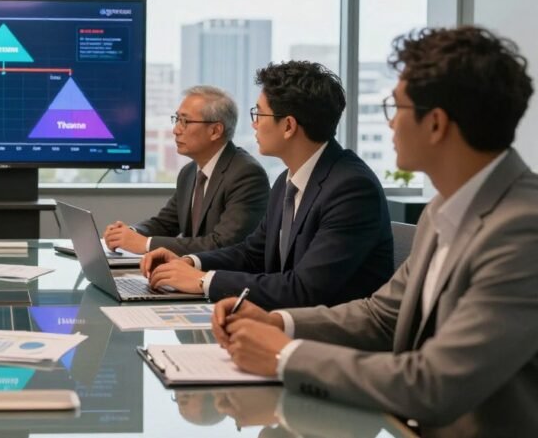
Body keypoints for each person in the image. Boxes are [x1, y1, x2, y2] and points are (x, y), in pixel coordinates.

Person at [214, 27, 538, 436]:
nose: (390, 125)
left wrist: (286, 356)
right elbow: (382, 316)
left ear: (435, 124)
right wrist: (279, 322)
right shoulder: (445, 208)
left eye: (395, 107)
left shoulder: (524, 229)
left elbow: (432, 383)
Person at [141, 61, 393, 310]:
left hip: (329, 339)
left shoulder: (351, 189)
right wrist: (190, 262)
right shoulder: (287, 180)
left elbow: (304, 289)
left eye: (259, 114)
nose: (254, 124)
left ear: (288, 126)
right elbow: (253, 253)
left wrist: (203, 281)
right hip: (285, 323)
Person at [104, 86, 269, 255]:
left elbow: (223, 244)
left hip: (225, 278)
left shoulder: (246, 174)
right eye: (177, 119)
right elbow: (165, 224)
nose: (176, 130)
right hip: (188, 274)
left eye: (185, 121)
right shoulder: (189, 172)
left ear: (215, 131)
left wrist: (146, 244)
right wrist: (130, 233)